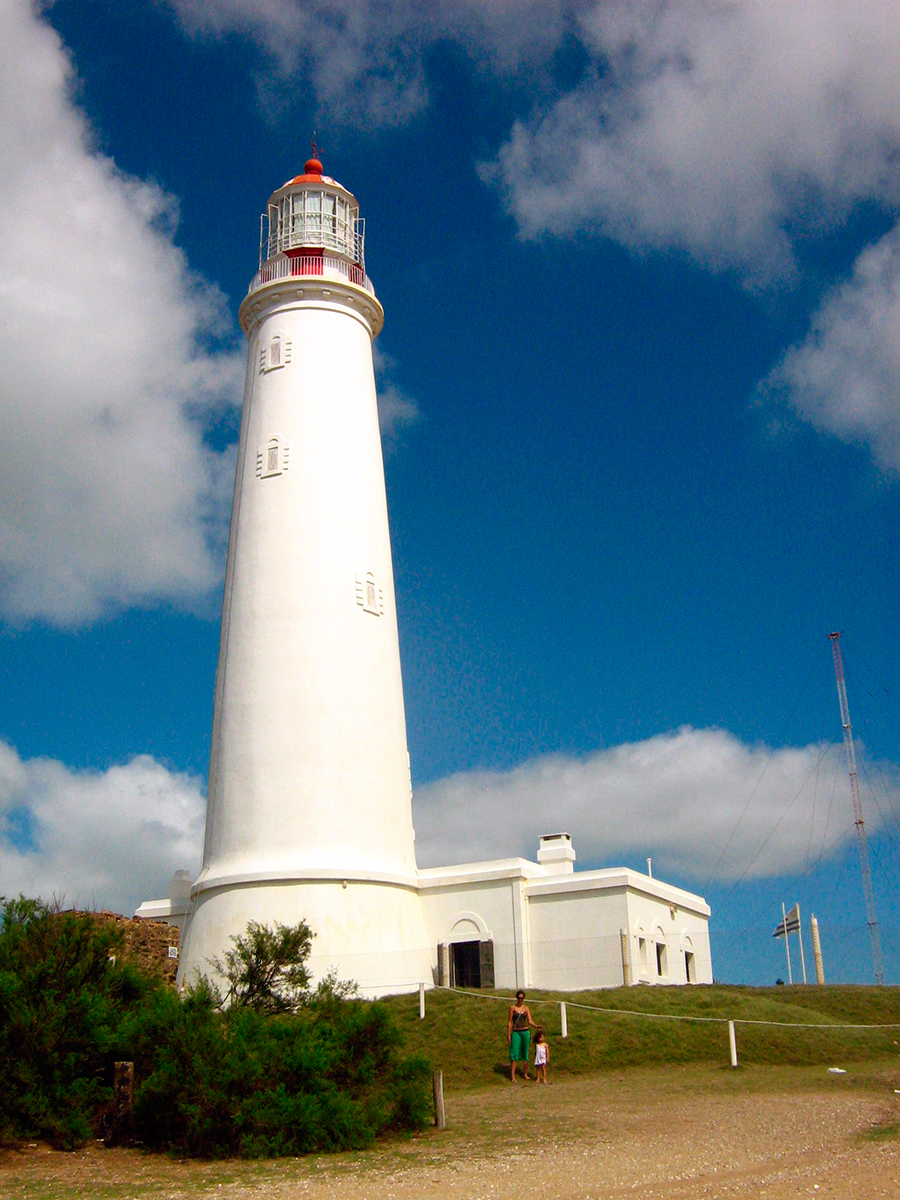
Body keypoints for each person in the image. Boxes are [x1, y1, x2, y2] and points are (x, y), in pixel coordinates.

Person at [507, 990, 537, 1081]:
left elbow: (530, 1021)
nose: (520, 1000)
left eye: (522, 998)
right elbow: (509, 1022)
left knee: (525, 1053)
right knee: (514, 1053)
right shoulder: (512, 1008)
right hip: (516, 1032)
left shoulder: (526, 1008)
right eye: (519, 998)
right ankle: (512, 1076)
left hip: (525, 1031)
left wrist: (536, 1026)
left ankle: (525, 1073)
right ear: (516, 998)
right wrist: (508, 1034)